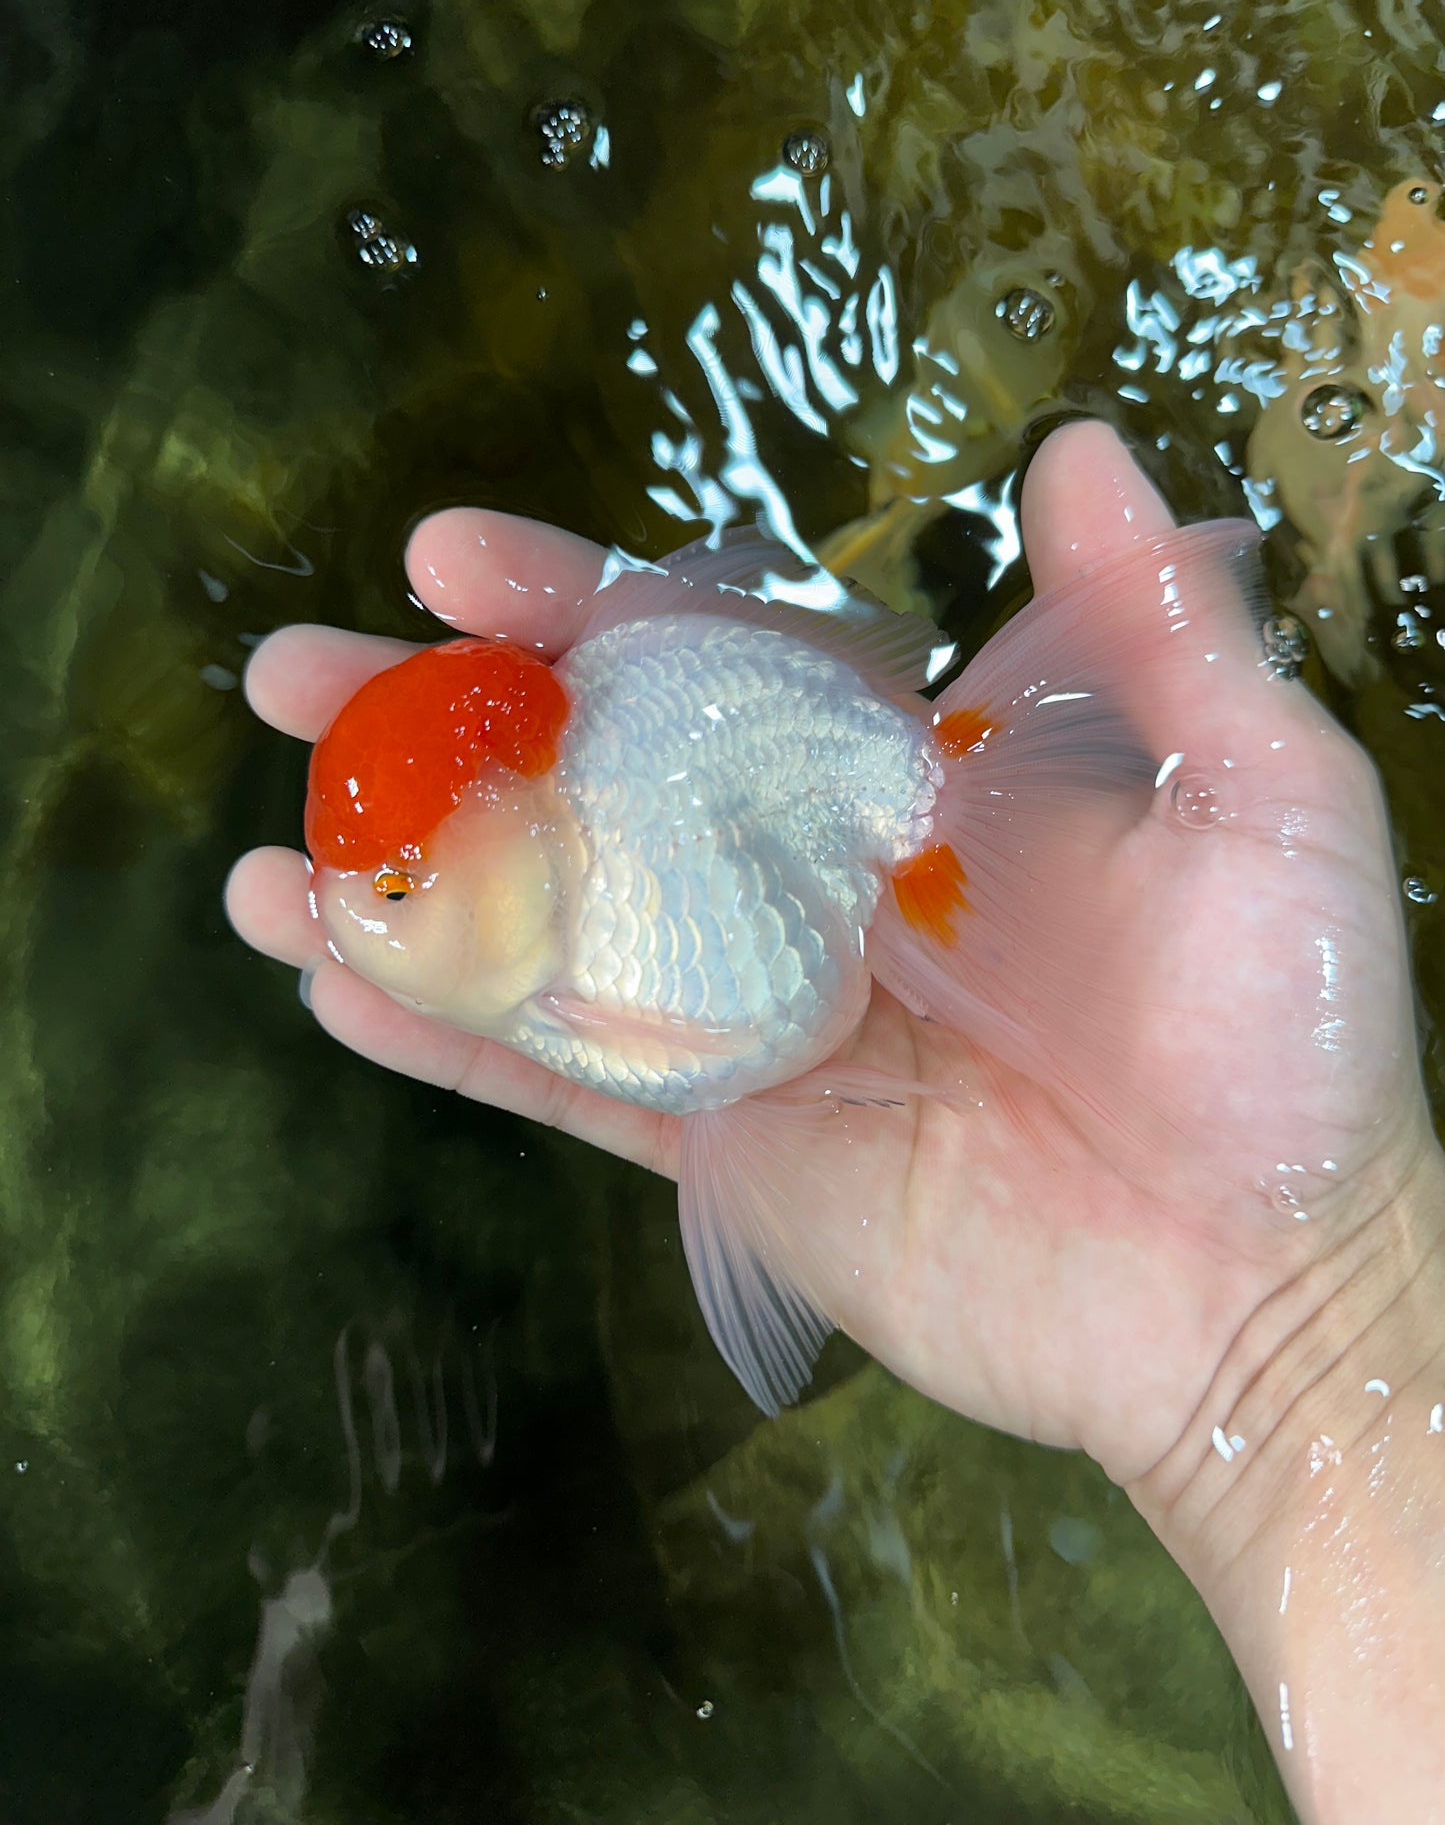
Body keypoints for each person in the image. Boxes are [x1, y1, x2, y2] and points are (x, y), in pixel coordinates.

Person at [227, 420, 1445, 1822]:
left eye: (391, 896)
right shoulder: (556, 922)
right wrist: (1328, 1351)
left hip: (838, 833)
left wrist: (1319, 1317)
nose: (361, 917)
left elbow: (715, 1040)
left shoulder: (613, 888)